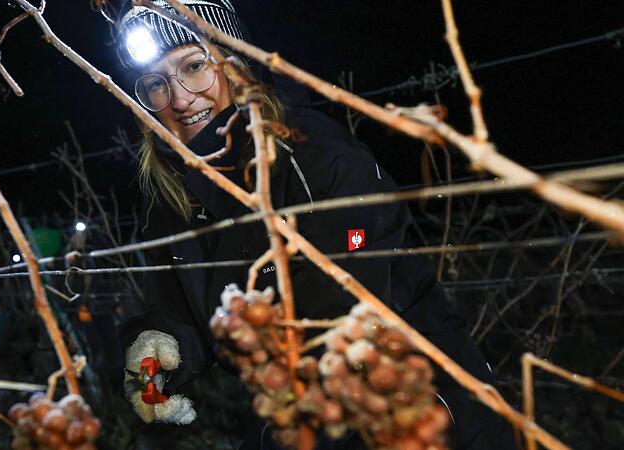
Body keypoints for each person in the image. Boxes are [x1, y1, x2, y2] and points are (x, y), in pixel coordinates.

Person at [115, 1, 515, 448]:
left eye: (194, 66)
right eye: (156, 84)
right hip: (301, 411)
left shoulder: (311, 151)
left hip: (417, 399)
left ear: (235, 64)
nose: (179, 98)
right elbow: (178, 305)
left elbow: (353, 286)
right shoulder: (172, 197)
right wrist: (160, 344)